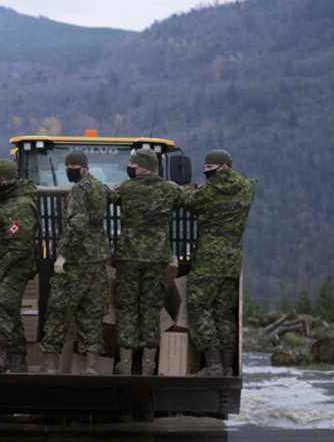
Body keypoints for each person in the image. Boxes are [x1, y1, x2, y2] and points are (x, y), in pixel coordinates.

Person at [181, 149, 256, 377]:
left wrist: (189, 189)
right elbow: (250, 184)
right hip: (232, 259)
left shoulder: (209, 191)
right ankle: (226, 366)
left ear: (220, 168)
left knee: (199, 305)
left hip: (209, 260)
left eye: (209, 171)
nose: (208, 175)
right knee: (224, 312)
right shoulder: (246, 188)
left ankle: (212, 364)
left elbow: (188, 202)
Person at [109, 149, 182, 375]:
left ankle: (126, 364)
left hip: (129, 256)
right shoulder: (169, 189)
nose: (130, 167)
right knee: (151, 308)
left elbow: (108, 197)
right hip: (157, 258)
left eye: (132, 164)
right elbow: (186, 199)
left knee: (128, 307)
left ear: (141, 166)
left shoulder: (126, 188)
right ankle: (149, 365)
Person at [40, 152, 110, 374]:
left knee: (59, 310)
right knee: (92, 313)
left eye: (72, 167)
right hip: (97, 259)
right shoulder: (100, 187)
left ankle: (50, 365)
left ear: (83, 168)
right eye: (67, 166)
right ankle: (91, 365)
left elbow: (76, 225)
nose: (69, 170)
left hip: (77, 260)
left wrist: (63, 255)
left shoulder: (80, 190)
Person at [0, 159, 39, 373]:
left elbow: (20, 247)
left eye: (3, 179)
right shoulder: (2, 195)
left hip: (15, 267)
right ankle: (18, 358)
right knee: (10, 312)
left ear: (13, 179)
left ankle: (2, 354)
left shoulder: (20, 206)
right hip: (1, 264)